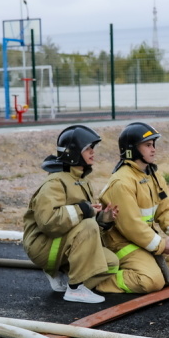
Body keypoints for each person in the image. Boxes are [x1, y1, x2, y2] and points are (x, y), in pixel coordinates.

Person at [23, 125, 120, 304]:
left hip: (59, 242)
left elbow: (81, 223)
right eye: (88, 149)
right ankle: (75, 288)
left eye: (93, 148)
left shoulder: (81, 180)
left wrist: (103, 220)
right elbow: (49, 222)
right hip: (42, 246)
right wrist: (84, 209)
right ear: (72, 152)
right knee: (89, 226)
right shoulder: (55, 182)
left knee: (111, 263)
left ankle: (64, 276)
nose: (93, 153)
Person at [96, 122, 169, 294]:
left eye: (154, 144)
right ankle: (98, 281)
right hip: (123, 244)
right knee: (150, 281)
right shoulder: (121, 182)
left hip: (145, 240)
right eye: (148, 145)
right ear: (131, 149)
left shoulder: (152, 175)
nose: (153, 149)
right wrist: (161, 246)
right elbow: (131, 226)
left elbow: (166, 208)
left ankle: (145, 269)